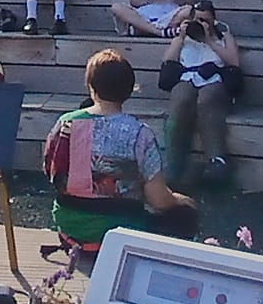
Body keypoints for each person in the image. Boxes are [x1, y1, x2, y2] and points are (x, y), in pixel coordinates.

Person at [43, 49, 198, 250]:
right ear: (129, 90)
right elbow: (159, 200)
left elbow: (50, 170)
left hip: (71, 229)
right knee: (185, 215)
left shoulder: (66, 123)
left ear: (91, 87)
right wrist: (182, 201)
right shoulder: (140, 134)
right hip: (121, 234)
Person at [161, 1, 244, 187]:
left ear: (213, 20)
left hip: (214, 80)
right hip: (187, 78)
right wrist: (181, 37)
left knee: (207, 99)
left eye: (205, 20)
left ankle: (217, 160)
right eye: (198, 19)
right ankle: (174, 162)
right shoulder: (183, 38)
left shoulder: (224, 37)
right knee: (181, 97)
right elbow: (167, 61)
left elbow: (233, 62)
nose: (201, 23)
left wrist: (209, 40)